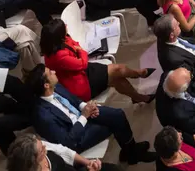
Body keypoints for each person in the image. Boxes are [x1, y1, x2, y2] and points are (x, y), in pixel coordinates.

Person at [28, 64, 157, 165]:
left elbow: (74, 100)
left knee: (118, 115)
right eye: (50, 73)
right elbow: (67, 142)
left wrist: (87, 107)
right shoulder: (43, 116)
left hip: (82, 116)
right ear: (46, 85)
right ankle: (131, 154)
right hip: (77, 136)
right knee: (112, 124)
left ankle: (130, 150)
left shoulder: (55, 87)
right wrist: (84, 116)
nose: (54, 72)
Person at [40, 18, 154, 104]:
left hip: (82, 71)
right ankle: (139, 76)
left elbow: (76, 44)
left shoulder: (62, 40)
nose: (66, 25)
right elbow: (82, 62)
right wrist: (81, 52)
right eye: (63, 26)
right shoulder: (58, 56)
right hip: (80, 83)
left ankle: (138, 94)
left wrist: (79, 51)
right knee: (116, 73)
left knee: (117, 75)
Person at [7, 131, 120, 171]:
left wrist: (88, 163)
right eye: (42, 150)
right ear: (32, 161)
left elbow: (63, 151)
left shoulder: (41, 147)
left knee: (114, 170)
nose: (45, 148)